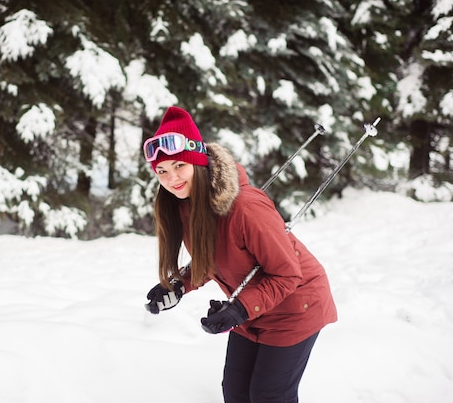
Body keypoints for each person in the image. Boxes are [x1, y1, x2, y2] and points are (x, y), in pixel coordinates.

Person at [143, 106, 337, 403]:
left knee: (268, 396)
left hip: (296, 306)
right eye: (162, 171)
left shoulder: (246, 207)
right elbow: (215, 257)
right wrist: (180, 284)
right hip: (252, 308)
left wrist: (239, 309)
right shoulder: (186, 205)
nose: (172, 179)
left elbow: (287, 274)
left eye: (179, 166)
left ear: (198, 162)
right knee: (235, 393)